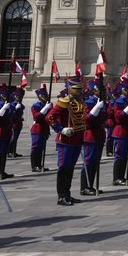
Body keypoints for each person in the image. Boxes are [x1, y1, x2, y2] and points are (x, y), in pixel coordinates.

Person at [49, 75, 88, 203]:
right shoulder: (64, 102)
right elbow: (50, 117)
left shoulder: (79, 103)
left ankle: (67, 193)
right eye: (77, 88)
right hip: (66, 140)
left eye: (80, 88)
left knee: (70, 168)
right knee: (63, 168)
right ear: (70, 88)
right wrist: (61, 129)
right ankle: (61, 196)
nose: (80, 91)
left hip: (76, 139)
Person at [29, 86, 53, 173]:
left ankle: (39, 165)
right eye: (45, 95)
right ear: (40, 96)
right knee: (36, 148)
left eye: (46, 95)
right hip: (37, 129)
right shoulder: (36, 105)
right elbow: (37, 117)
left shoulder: (48, 105)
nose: (47, 97)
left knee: (41, 148)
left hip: (44, 129)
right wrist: (45, 108)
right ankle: (34, 166)